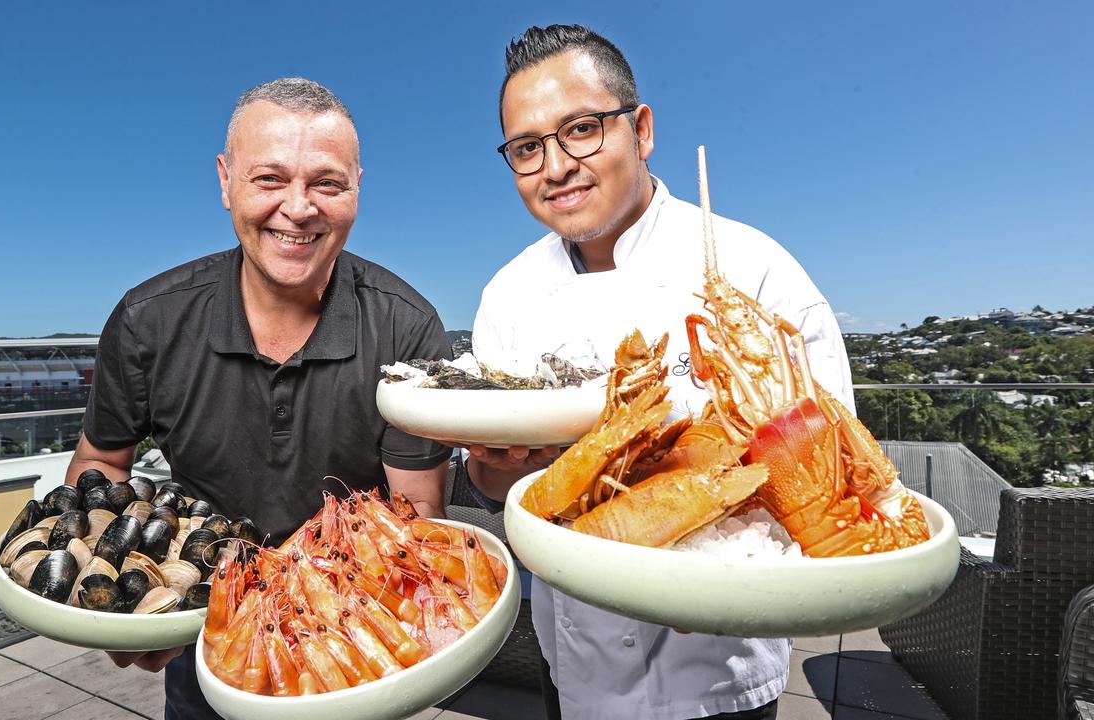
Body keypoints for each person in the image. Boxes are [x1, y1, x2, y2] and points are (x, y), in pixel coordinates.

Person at [464, 25, 854, 720]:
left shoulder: (754, 267)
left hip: (721, 669)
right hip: (574, 667)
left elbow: (832, 472)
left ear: (641, 130)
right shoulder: (507, 294)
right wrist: (499, 465)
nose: (555, 166)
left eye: (581, 129)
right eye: (527, 148)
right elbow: (495, 486)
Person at [64, 77, 452, 720]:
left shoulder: (407, 328)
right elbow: (101, 464)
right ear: (225, 181)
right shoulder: (146, 320)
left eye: (326, 183)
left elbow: (416, 510)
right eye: (269, 179)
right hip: (201, 633)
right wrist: (108, 603)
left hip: (349, 639)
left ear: (358, 187)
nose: (297, 209)